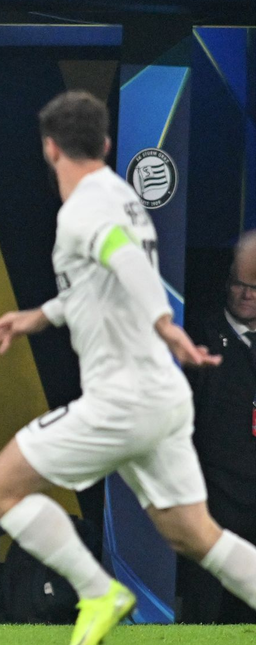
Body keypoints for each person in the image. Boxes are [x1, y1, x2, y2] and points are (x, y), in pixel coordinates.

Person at [0, 90, 256, 645]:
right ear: (106, 144)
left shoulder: (85, 208)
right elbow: (96, 285)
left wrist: (164, 321)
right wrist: (38, 316)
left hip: (123, 399)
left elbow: (123, 261)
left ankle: (98, 591)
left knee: (1, 488)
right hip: (161, 399)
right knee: (194, 534)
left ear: (50, 148)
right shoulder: (122, 196)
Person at [177, 255, 256, 623]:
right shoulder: (198, 338)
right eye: (241, 284)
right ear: (227, 283)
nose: (248, 294)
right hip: (213, 496)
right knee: (206, 606)